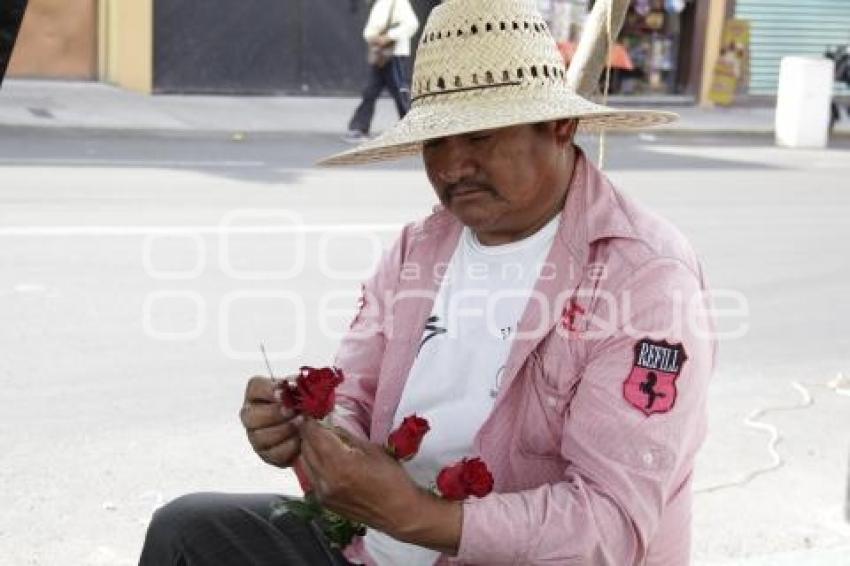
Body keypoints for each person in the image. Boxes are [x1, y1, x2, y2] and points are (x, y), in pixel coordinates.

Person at [139, 0, 716, 564]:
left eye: (481, 136)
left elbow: (609, 527)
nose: (452, 166)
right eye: (436, 141)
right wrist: (304, 427)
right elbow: (355, 395)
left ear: (560, 124)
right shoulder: (419, 247)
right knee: (187, 532)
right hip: (372, 546)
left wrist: (418, 516)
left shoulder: (644, 278)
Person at [344, 0, 419, 142]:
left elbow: (411, 24)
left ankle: (413, 128)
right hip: (382, 55)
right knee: (370, 91)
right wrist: (374, 38)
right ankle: (359, 127)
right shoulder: (380, 3)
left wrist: (389, 36)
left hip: (395, 55)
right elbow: (370, 30)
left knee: (400, 92)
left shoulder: (399, 2)